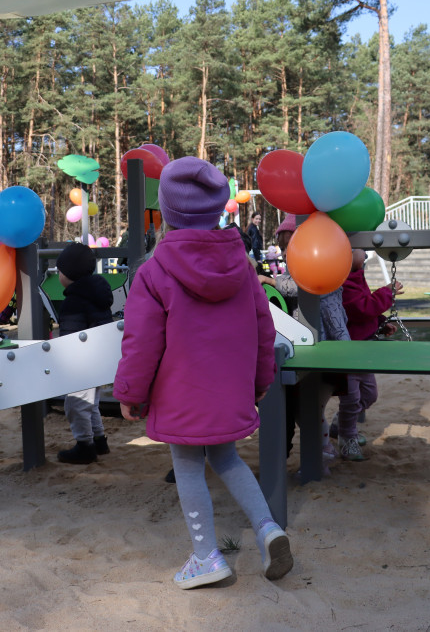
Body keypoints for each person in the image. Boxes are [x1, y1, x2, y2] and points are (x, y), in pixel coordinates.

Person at [114, 156, 292, 590]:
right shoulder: (244, 269)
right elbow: (262, 329)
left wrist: (130, 392)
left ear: (167, 213)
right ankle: (268, 528)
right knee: (227, 457)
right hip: (228, 388)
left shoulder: (154, 271)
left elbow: (141, 341)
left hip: (180, 391)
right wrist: (260, 382)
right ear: (216, 210)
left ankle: (205, 555)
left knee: (189, 466)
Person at [266, 214, 349, 462]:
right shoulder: (300, 278)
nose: (284, 255)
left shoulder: (323, 281)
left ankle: (322, 454)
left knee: (310, 411)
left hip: (324, 357)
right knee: (307, 411)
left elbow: (336, 322)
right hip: (303, 355)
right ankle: (322, 452)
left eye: (289, 248)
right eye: (282, 249)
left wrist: (346, 354)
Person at [338, 248, 403, 461]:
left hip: (364, 351)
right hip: (349, 353)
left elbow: (366, 313)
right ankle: (347, 438)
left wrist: (380, 324)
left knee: (369, 395)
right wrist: (387, 293)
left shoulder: (357, 277)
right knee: (351, 399)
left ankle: (339, 424)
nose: (365, 254)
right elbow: (361, 308)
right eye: (359, 249)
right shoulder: (341, 283)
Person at [54, 242, 114, 464]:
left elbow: (71, 337)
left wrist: (63, 358)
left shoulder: (74, 301)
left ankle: (84, 446)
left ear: (69, 274)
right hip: (100, 359)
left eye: (60, 271)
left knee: (76, 404)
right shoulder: (97, 294)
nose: (59, 275)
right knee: (91, 403)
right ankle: (99, 441)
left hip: (82, 364)